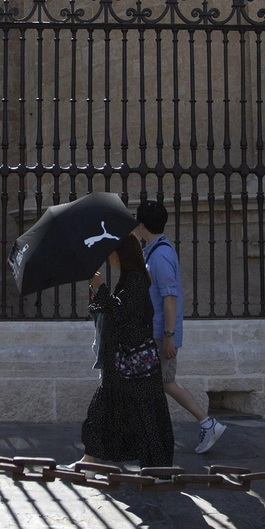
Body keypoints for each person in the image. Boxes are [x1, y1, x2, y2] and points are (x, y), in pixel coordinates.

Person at [72, 233, 174, 470]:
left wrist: (101, 288)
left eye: (113, 250)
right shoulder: (130, 279)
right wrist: (98, 292)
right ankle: (90, 459)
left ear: (122, 253)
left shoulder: (136, 279)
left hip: (133, 363)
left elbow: (122, 313)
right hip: (124, 362)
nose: (109, 255)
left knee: (145, 417)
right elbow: (117, 310)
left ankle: (158, 467)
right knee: (105, 409)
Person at [134, 199, 227, 454]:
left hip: (159, 333)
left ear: (142, 225)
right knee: (162, 383)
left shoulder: (160, 256)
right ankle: (203, 424)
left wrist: (168, 336)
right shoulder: (154, 251)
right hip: (155, 331)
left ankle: (205, 424)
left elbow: (170, 297)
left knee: (162, 383)